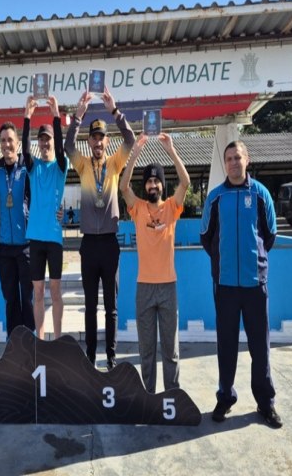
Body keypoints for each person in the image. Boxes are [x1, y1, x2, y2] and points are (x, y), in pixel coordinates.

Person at [200, 140, 282, 428]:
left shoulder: (260, 194)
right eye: (229, 159)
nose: (233, 162)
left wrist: (252, 261)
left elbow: (269, 235)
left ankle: (265, 403)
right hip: (224, 286)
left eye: (237, 157)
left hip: (254, 284)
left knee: (260, 346)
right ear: (225, 164)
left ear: (247, 160)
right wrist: (225, 263)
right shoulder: (215, 197)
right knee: (226, 346)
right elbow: (206, 238)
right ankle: (225, 397)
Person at [64, 87, 135, 369]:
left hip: (109, 243)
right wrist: (77, 117)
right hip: (88, 245)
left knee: (111, 307)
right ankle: (91, 356)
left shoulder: (115, 164)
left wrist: (115, 112)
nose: (97, 142)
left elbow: (130, 138)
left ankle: (112, 357)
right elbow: (68, 147)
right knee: (91, 306)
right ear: (89, 140)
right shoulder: (81, 165)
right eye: (93, 137)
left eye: (101, 137)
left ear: (106, 141)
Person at [119, 133, 190, 393]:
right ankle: (148, 396)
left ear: (162, 185)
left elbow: (186, 181)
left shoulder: (172, 207)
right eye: (148, 181)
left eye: (156, 181)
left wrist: (171, 151)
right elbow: (123, 187)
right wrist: (135, 153)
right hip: (144, 288)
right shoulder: (137, 208)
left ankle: (172, 394)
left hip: (168, 287)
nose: (152, 185)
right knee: (146, 349)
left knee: (170, 350)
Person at [23, 95, 69, 340]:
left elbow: (61, 149)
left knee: (56, 291)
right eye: (41, 140)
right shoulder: (33, 167)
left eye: (48, 139)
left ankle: (59, 338)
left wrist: (55, 114)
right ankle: (39, 338)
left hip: (54, 238)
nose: (44, 143)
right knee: (38, 293)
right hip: (36, 239)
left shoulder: (61, 166)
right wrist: (27, 116)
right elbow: (24, 149)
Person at [0, 121, 34, 336]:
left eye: (10, 140)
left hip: (25, 246)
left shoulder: (27, 169)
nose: (6, 144)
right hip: (4, 249)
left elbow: (40, 197)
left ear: (17, 143)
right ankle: (14, 343)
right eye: (3, 140)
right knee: (10, 299)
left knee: (27, 299)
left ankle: (30, 343)